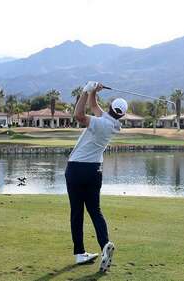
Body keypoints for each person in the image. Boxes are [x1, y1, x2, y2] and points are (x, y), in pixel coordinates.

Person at [65, 81, 127, 272]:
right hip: (94, 172)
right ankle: (104, 245)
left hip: (76, 169)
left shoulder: (100, 123)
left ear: (110, 107)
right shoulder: (114, 124)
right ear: (121, 114)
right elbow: (94, 107)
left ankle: (79, 253)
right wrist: (93, 92)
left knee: (77, 212)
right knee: (95, 211)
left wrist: (84, 91)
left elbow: (78, 115)